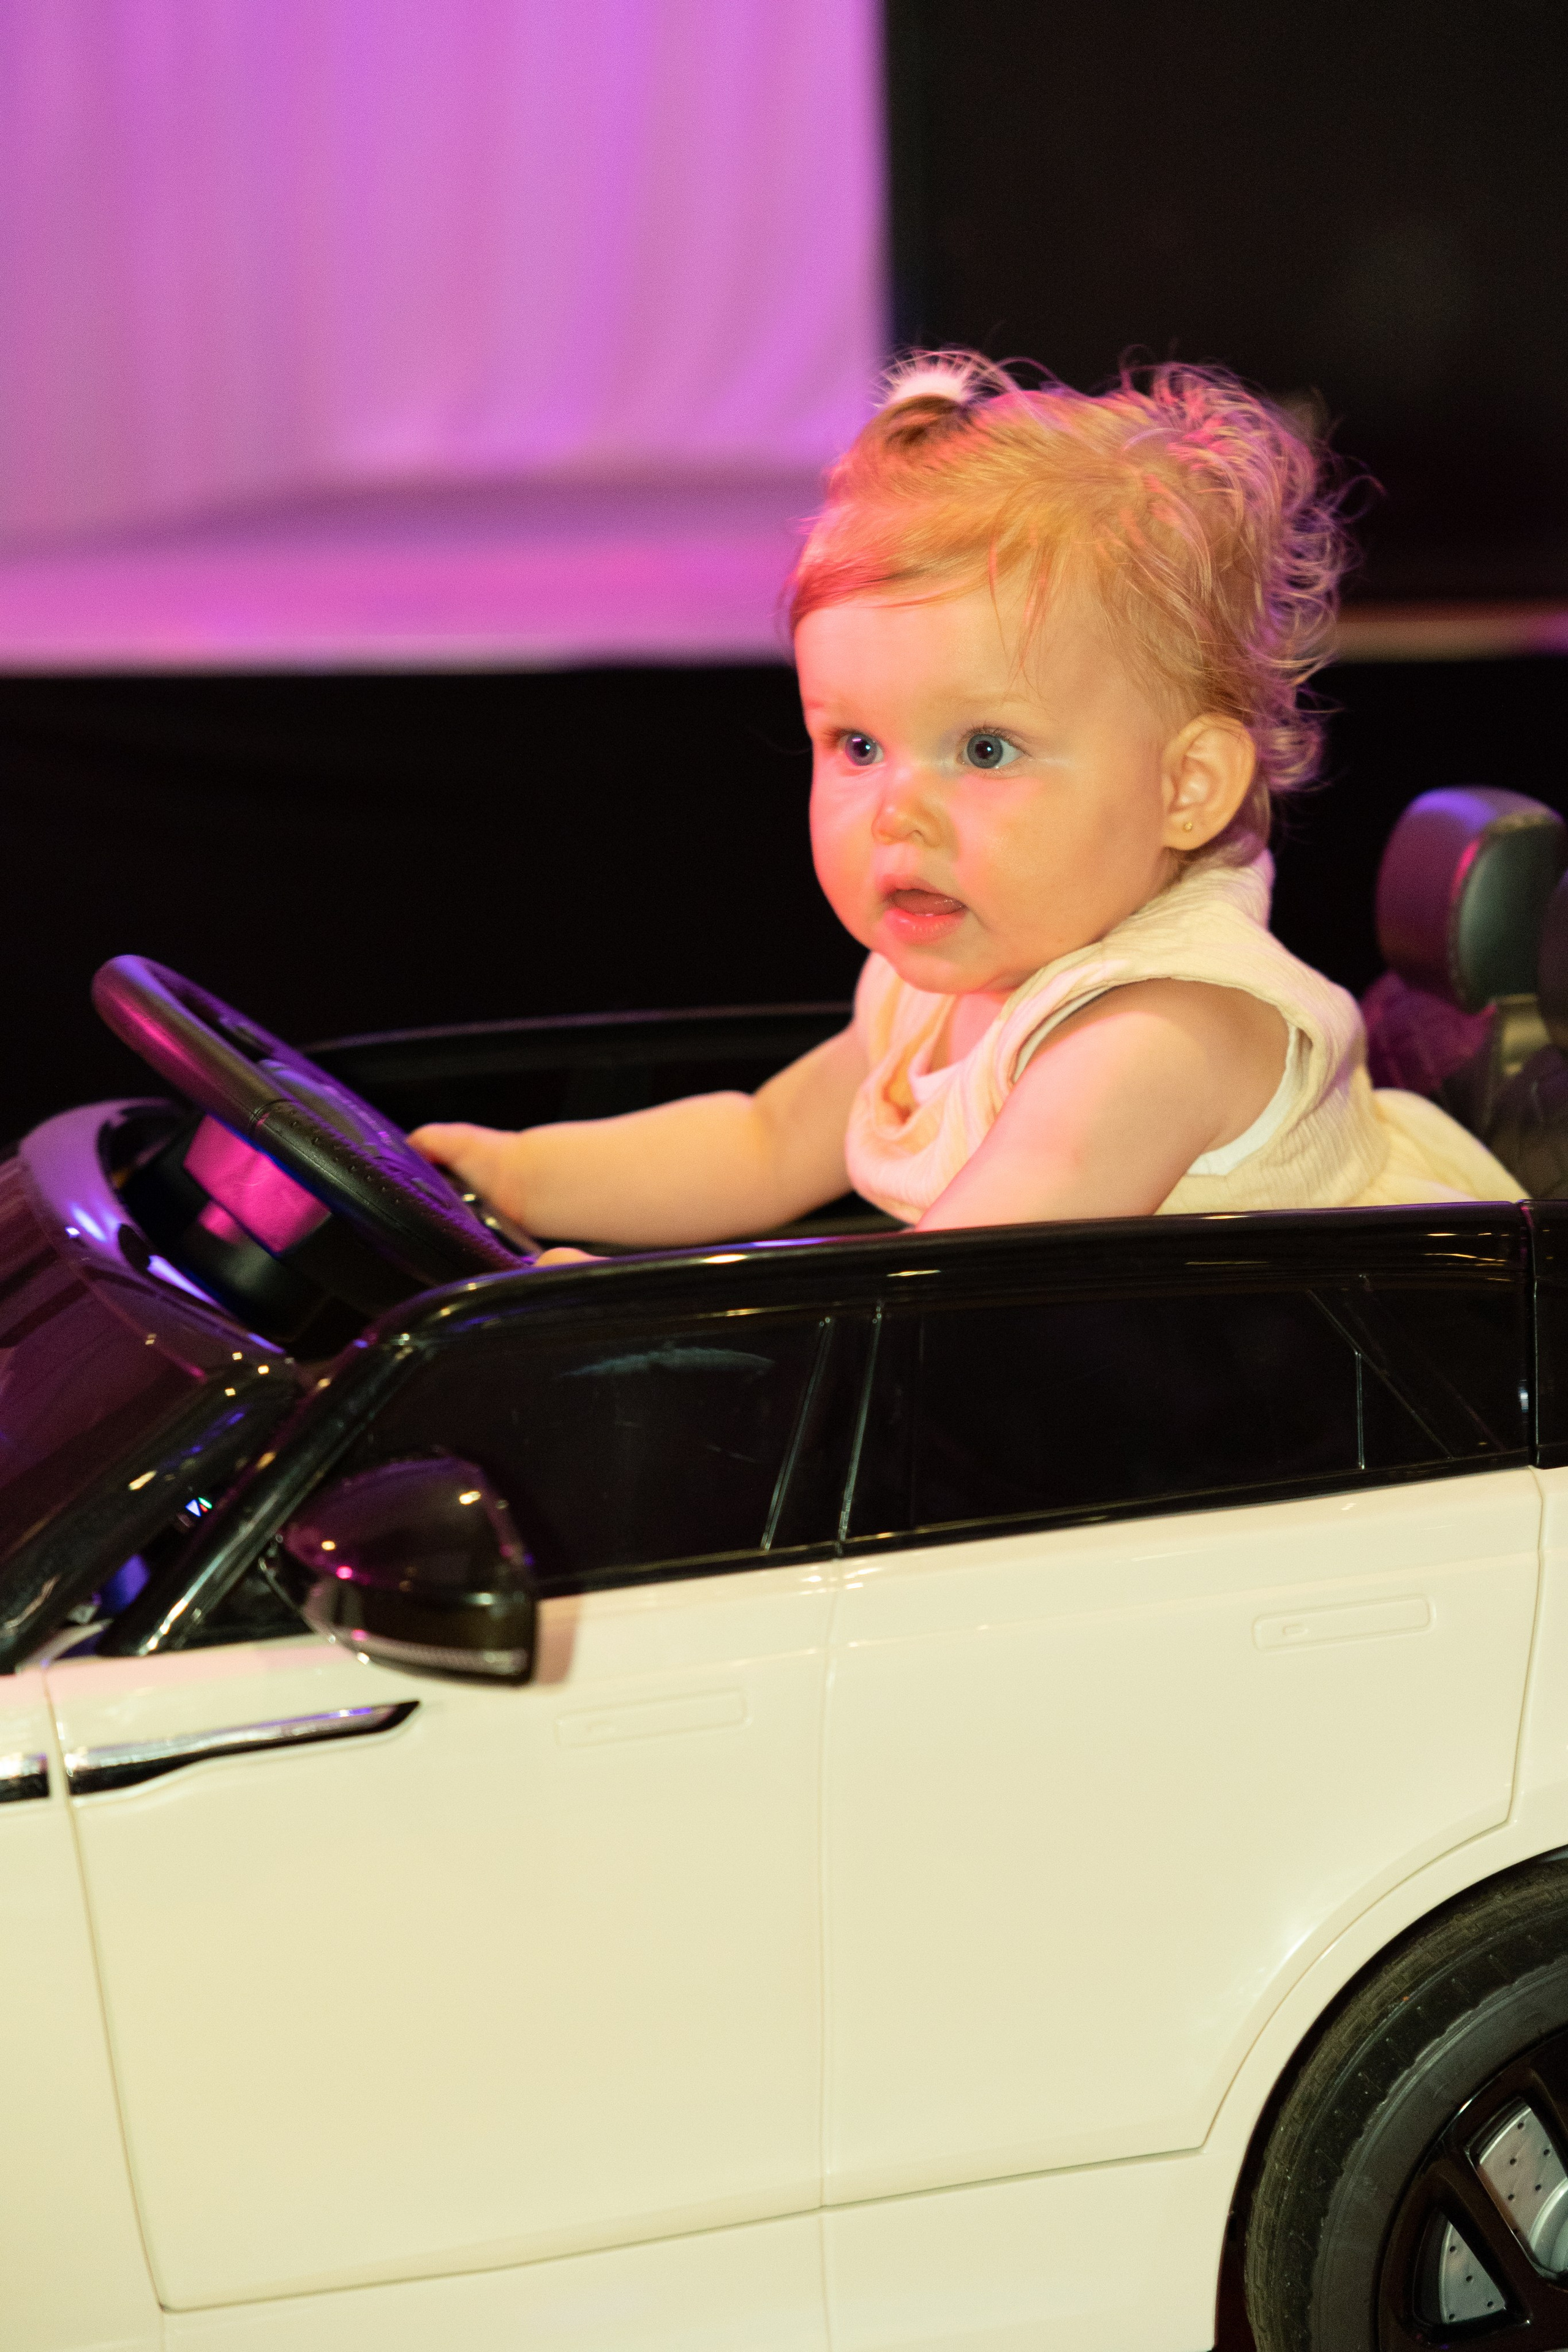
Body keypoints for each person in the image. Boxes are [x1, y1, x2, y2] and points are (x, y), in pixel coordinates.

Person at [411, 353, 1520, 1250]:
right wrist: (513, 1174)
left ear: (1184, 788)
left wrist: (617, 1328)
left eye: (985, 749)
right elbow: (758, 1144)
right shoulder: (950, 978)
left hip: (1346, 1449)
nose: (899, 810)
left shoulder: (1157, 1032)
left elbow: (942, 1303)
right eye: (855, 744)